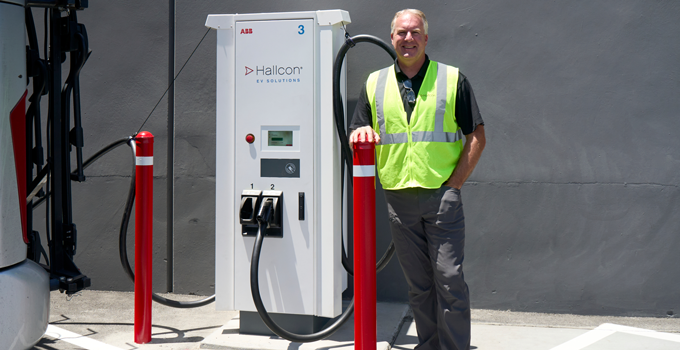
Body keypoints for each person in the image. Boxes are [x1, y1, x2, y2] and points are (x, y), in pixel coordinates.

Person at [349, 8, 486, 350]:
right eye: (400, 33)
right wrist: (360, 130)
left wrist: (454, 186)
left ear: (426, 37)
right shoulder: (374, 83)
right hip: (399, 199)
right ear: (391, 37)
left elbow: (477, 136)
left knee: (450, 280)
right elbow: (357, 128)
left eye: (414, 32)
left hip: (442, 196)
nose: (407, 38)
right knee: (419, 285)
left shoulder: (452, 79)